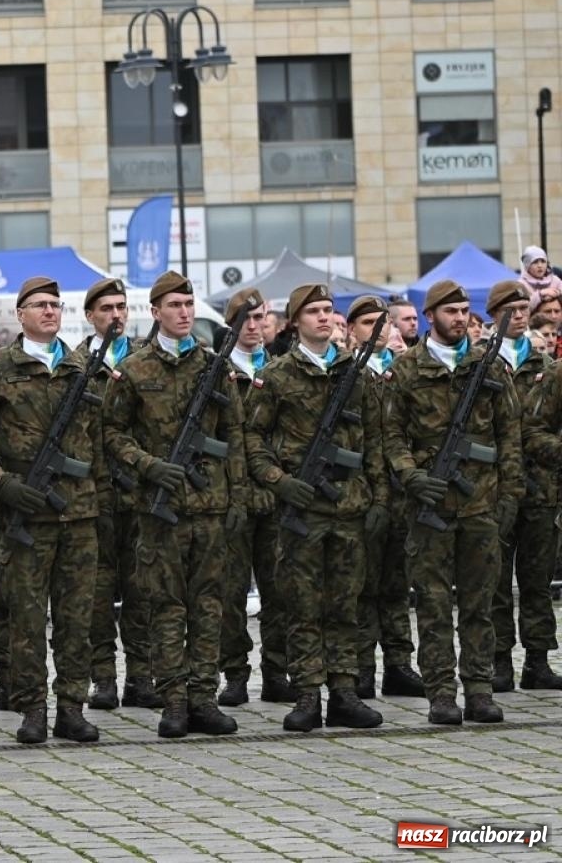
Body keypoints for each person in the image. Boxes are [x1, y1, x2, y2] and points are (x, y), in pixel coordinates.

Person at [103, 271, 244, 739]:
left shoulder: (214, 365)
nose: (185, 312)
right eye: (176, 305)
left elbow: (233, 435)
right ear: (156, 311)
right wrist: (148, 466)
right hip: (160, 509)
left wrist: (236, 496)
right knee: (165, 606)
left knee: (209, 605)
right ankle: (175, 701)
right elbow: (111, 434)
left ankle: (204, 696)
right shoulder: (136, 369)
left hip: (209, 505)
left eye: (189, 304)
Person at [0, 276, 102, 744]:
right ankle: (32, 709)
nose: (50, 312)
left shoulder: (80, 365)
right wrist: (2, 485)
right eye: (40, 305)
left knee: (76, 618)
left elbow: (102, 437)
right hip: (24, 517)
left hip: (77, 513)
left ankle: (71, 707)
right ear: (19, 314)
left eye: (56, 305)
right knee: (24, 619)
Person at [244, 284, 386, 732]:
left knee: (346, 604)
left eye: (329, 311)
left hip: (348, 507)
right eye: (314, 312)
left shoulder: (355, 373)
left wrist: (380, 498)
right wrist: (280, 482)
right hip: (301, 511)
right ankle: (306, 691)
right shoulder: (279, 375)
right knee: (301, 605)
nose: (325, 318)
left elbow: (377, 442)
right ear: (295, 322)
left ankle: (344, 690)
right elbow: (252, 439)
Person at [384, 280, 521, 725]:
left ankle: (479, 689)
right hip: (431, 507)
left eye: (465, 310)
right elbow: (392, 436)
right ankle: (441, 691)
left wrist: (510, 494)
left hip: (481, 504)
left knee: (480, 603)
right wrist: (411, 476)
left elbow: (510, 435)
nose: (460, 318)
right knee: (434, 603)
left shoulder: (489, 366)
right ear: (430, 317)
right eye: (451, 311)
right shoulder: (408, 370)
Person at [79, 277, 157, 711]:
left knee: (142, 590)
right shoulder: (75, 364)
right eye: (106, 308)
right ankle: (103, 678)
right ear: (91, 316)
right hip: (95, 495)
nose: (116, 315)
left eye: (121, 307)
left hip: (142, 496)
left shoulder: (146, 362)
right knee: (97, 592)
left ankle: (141, 676)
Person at [482, 281, 562, 691]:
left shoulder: (546, 367)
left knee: (536, 580)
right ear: (493, 313)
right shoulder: (480, 363)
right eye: (508, 309)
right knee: (494, 582)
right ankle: (498, 662)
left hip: (540, 488)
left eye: (522, 308)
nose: (517, 315)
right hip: (491, 488)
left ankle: (537, 660)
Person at [214, 288, 291, 707]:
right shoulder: (216, 371)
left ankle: (277, 671)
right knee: (230, 593)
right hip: (231, 498)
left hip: (276, 495)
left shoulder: (281, 370)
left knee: (280, 591)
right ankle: (235, 673)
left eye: (260, 316)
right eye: (245, 317)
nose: (254, 324)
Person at [348, 299, 424, 700]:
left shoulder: (402, 370)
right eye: (367, 323)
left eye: (383, 322)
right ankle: (361, 668)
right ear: (351, 329)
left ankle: (399, 664)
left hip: (400, 493)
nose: (377, 329)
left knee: (396, 585)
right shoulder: (347, 371)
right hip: (359, 493)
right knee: (361, 586)